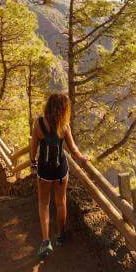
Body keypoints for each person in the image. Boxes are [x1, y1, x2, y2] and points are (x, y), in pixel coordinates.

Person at [29, 92, 85, 259]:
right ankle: (60, 236)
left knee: (44, 203)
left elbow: (33, 149)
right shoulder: (64, 126)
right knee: (61, 203)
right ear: (63, 109)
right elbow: (74, 150)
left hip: (44, 171)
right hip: (61, 171)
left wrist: (33, 163)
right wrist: (83, 158)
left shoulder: (38, 124)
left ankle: (46, 240)